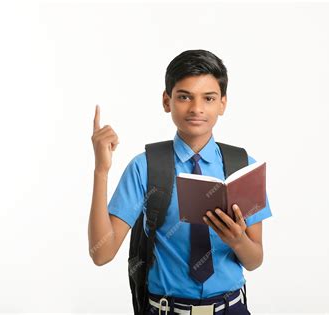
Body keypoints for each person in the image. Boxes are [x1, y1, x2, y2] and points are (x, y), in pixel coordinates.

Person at [88, 49, 273, 314]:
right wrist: (101, 171)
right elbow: (101, 253)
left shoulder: (243, 166)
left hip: (231, 308)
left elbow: (255, 260)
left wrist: (237, 240)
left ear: (223, 103)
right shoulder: (145, 167)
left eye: (208, 98)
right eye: (184, 97)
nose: (197, 108)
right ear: (167, 101)